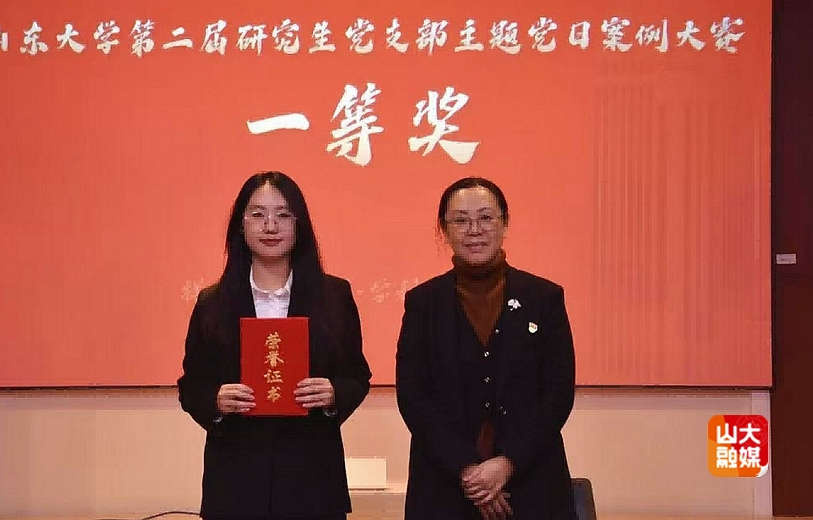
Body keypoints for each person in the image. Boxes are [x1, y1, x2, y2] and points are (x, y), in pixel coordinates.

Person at [177, 171, 372, 520]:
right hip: (236, 479)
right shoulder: (212, 302)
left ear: (299, 225)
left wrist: (333, 393)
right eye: (257, 214)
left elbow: (357, 377)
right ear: (241, 225)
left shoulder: (334, 296)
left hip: (313, 477)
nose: (270, 226)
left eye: (283, 214)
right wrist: (216, 401)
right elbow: (191, 386)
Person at [395, 177, 578, 520]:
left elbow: (557, 394)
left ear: (504, 223)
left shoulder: (544, 298)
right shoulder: (423, 303)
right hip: (445, 487)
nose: (474, 230)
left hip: (531, 483)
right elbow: (413, 396)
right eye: (460, 220)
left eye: (485, 218)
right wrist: (468, 471)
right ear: (444, 230)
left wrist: (507, 464)